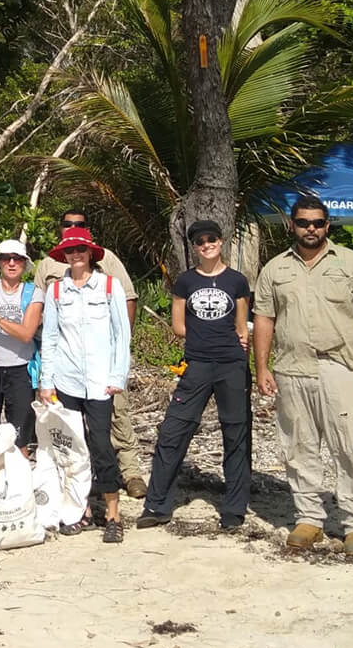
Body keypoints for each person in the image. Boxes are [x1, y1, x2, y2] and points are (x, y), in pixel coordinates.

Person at [253, 195, 353, 555]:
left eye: (317, 222)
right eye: (303, 222)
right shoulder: (274, 269)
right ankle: (309, 519)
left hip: (341, 369)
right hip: (292, 370)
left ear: (327, 225)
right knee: (298, 448)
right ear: (292, 225)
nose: (310, 229)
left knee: (349, 447)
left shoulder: (351, 263)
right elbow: (264, 319)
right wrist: (262, 367)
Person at [137, 220, 252, 532]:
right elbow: (178, 325)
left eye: (211, 238)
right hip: (197, 364)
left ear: (221, 241)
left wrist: (239, 344)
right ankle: (157, 505)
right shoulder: (186, 281)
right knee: (173, 431)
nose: (206, 244)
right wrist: (202, 337)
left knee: (236, 434)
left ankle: (234, 508)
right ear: (194, 247)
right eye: (200, 241)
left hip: (231, 365)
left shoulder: (237, 281)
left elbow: (242, 324)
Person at [36, 209, 148, 497]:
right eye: (68, 225)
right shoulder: (47, 265)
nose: (75, 251)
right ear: (60, 229)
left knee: (117, 418)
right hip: (67, 365)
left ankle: (130, 471)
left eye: (80, 226)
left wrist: (117, 352)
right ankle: (80, 486)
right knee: (70, 430)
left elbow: (128, 299)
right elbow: (41, 310)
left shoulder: (106, 259)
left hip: (102, 364)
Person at [37, 227, 131, 543]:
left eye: (80, 249)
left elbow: (121, 335)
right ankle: (80, 511)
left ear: (90, 252)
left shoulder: (108, 286)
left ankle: (113, 513)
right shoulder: (57, 291)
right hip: (66, 381)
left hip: (100, 382)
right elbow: (49, 338)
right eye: (69, 251)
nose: (75, 255)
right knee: (72, 448)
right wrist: (46, 382)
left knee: (102, 445)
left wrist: (117, 376)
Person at [0, 238, 45, 457]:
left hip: (21, 370)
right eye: (7, 259)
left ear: (24, 264)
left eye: (17, 259)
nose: (12, 263)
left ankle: (18, 488)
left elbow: (26, 333)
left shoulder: (33, 293)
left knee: (20, 438)